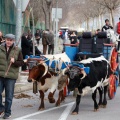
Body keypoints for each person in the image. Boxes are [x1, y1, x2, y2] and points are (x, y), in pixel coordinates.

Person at [0, 34, 24, 119]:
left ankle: (7, 112)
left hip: (11, 77)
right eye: (7, 40)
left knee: (8, 96)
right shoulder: (0, 48)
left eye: (10, 40)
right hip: (1, 75)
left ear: (13, 41)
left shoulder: (17, 50)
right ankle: (1, 108)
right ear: (5, 40)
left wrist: (14, 62)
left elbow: (21, 63)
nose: (9, 42)